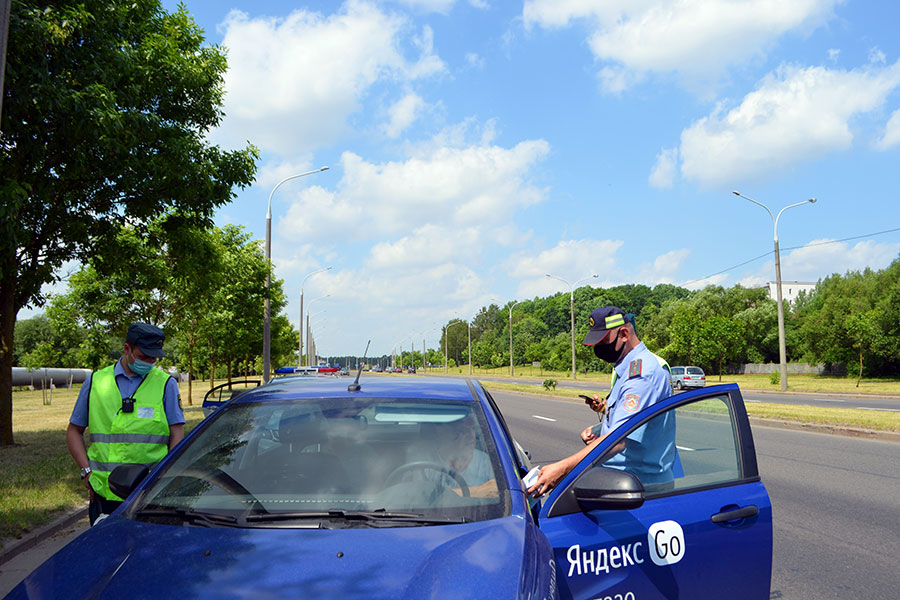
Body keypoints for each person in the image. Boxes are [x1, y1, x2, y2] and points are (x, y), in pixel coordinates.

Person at [528, 306, 677, 497]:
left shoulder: (641, 375)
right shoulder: (627, 368)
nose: (598, 349)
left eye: (603, 342)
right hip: (624, 479)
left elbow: (619, 439)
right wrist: (599, 431)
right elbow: (634, 420)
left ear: (623, 334)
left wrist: (563, 468)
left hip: (639, 488)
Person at [66, 322, 185, 525]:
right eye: (143, 356)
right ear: (126, 349)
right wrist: (86, 472)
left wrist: (167, 478)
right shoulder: (95, 382)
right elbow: (74, 431)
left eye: (154, 358)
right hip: (104, 494)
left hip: (149, 493)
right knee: (106, 554)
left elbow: (177, 434)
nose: (149, 362)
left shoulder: (166, 384)